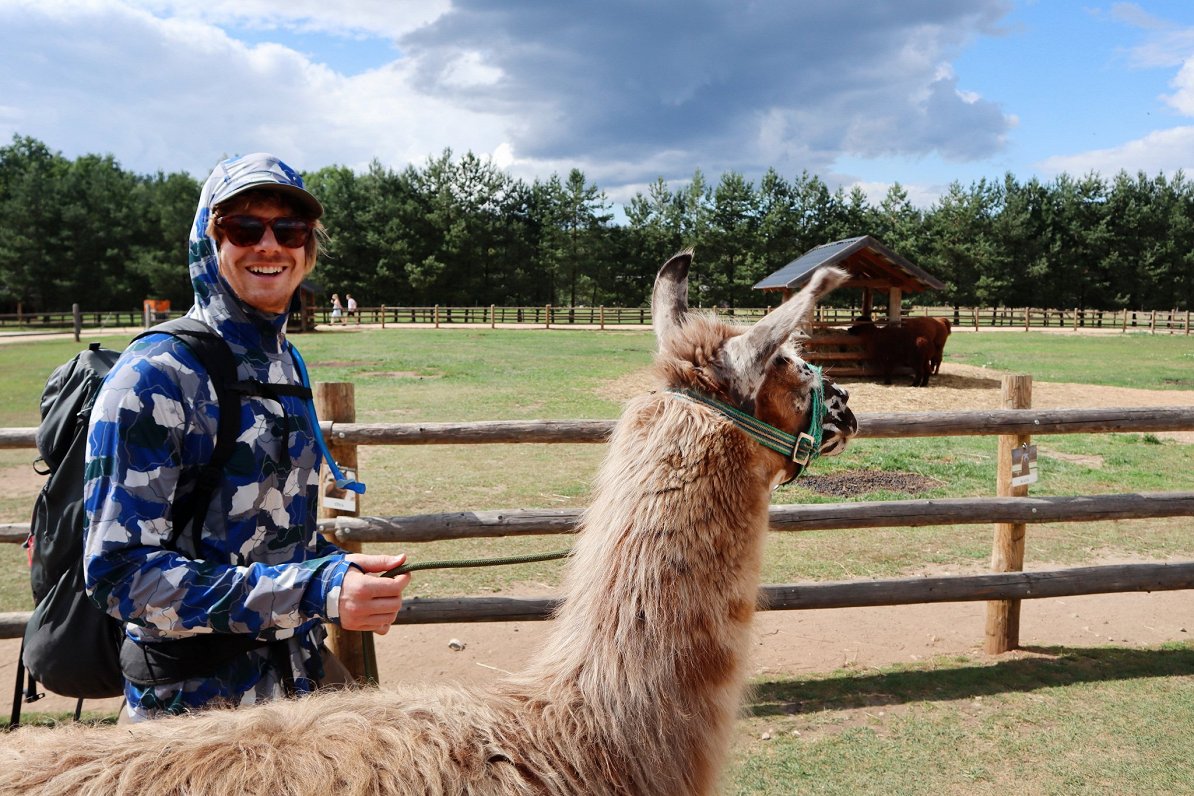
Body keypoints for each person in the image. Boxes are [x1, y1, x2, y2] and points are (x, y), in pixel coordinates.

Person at [83, 152, 411, 721]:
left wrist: (339, 571)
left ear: (308, 247)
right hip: (193, 718)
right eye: (243, 227)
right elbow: (120, 577)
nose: (269, 245)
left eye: (289, 228)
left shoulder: (285, 365)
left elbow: (274, 537)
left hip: (296, 696)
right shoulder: (156, 374)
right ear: (209, 242)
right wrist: (313, 591)